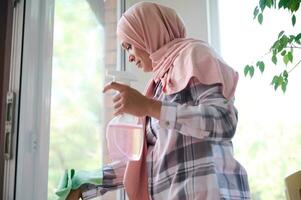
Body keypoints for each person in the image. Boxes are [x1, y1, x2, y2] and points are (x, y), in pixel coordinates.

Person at [68, 2, 250, 200]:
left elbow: (224, 121)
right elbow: (141, 162)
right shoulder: (158, 87)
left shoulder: (194, 54)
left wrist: (148, 106)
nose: (129, 57)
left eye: (129, 46)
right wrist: (84, 183)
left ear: (148, 33)